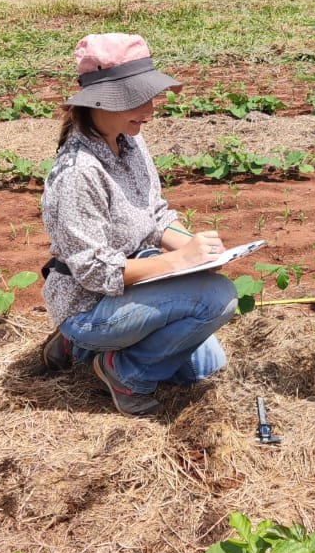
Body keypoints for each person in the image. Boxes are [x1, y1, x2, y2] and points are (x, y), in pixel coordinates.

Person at [38, 32, 237, 416]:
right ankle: (120, 369)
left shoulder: (129, 140)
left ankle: (80, 349)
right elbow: (97, 273)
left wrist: (198, 250)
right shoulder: (78, 173)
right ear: (99, 102)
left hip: (138, 281)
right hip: (90, 304)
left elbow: (155, 217)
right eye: (135, 99)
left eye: (150, 96)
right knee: (218, 299)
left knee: (204, 369)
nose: (149, 108)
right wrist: (180, 262)